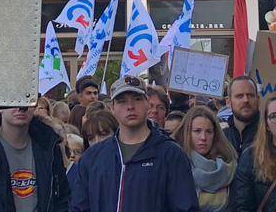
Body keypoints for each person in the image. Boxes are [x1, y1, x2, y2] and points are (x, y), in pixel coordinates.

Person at [66, 77, 192, 212]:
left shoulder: (170, 154)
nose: (130, 106)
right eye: (122, 101)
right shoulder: (93, 157)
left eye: (137, 99)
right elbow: (79, 207)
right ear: (112, 108)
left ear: (147, 104)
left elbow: (185, 207)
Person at [174, 107, 234, 212]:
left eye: (209, 131)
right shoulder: (175, 164)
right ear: (187, 133)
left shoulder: (229, 164)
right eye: (197, 131)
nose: (203, 137)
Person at [219, 78, 260, 157]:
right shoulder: (220, 136)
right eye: (239, 96)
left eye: (250, 95)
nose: (246, 100)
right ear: (228, 102)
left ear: (258, 100)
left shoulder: (269, 132)